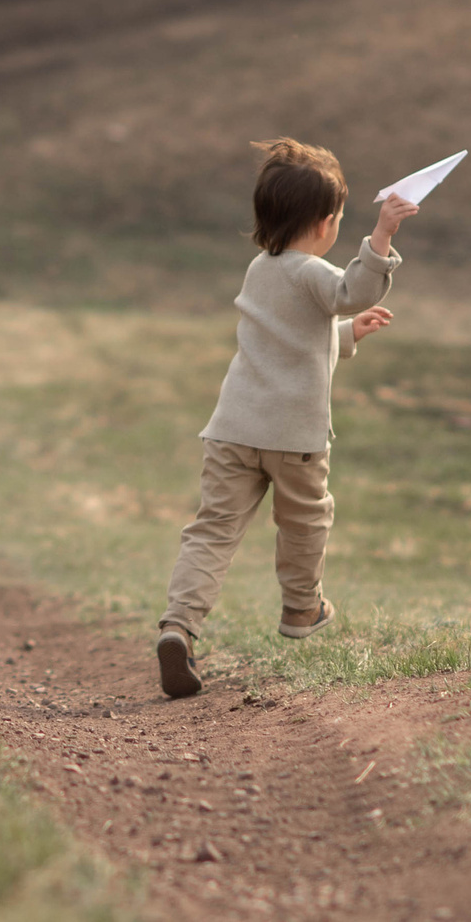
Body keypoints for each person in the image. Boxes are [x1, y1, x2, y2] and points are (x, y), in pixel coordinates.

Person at [155, 137, 416, 700]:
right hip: (293, 439)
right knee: (303, 523)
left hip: (232, 430)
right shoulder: (312, 271)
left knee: (213, 531)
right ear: (325, 224)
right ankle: (301, 609)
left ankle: (179, 626)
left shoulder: (261, 269)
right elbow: (350, 290)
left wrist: (348, 336)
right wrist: (383, 236)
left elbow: (294, 338)